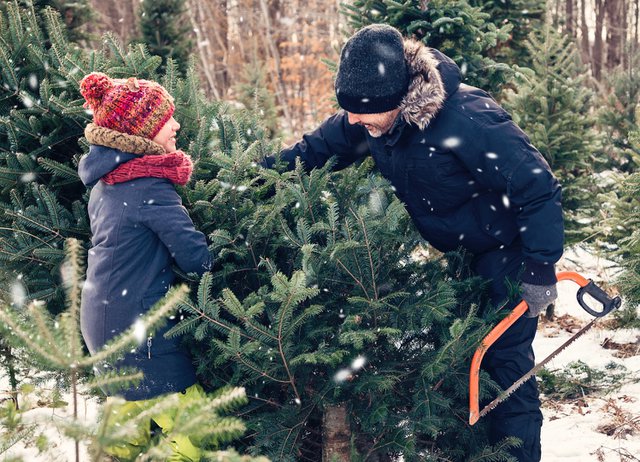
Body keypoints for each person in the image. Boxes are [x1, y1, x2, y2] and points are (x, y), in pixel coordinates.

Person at [267, 24, 563, 461]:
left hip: (510, 251)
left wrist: (540, 266)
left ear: (396, 99)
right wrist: (254, 175)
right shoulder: (369, 115)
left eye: (362, 112)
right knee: (459, 357)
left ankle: (517, 455)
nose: (352, 120)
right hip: (462, 251)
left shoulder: (466, 117)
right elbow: (315, 150)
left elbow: (537, 185)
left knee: (502, 362)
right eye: (347, 110)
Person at [78, 72, 212, 460]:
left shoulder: (107, 185)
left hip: (102, 318)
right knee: (191, 419)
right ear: (142, 132)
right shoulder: (148, 187)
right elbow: (193, 255)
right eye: (166, 119)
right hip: (138, 324)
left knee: (130, 410)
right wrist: (221, 259)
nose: (177, 124)